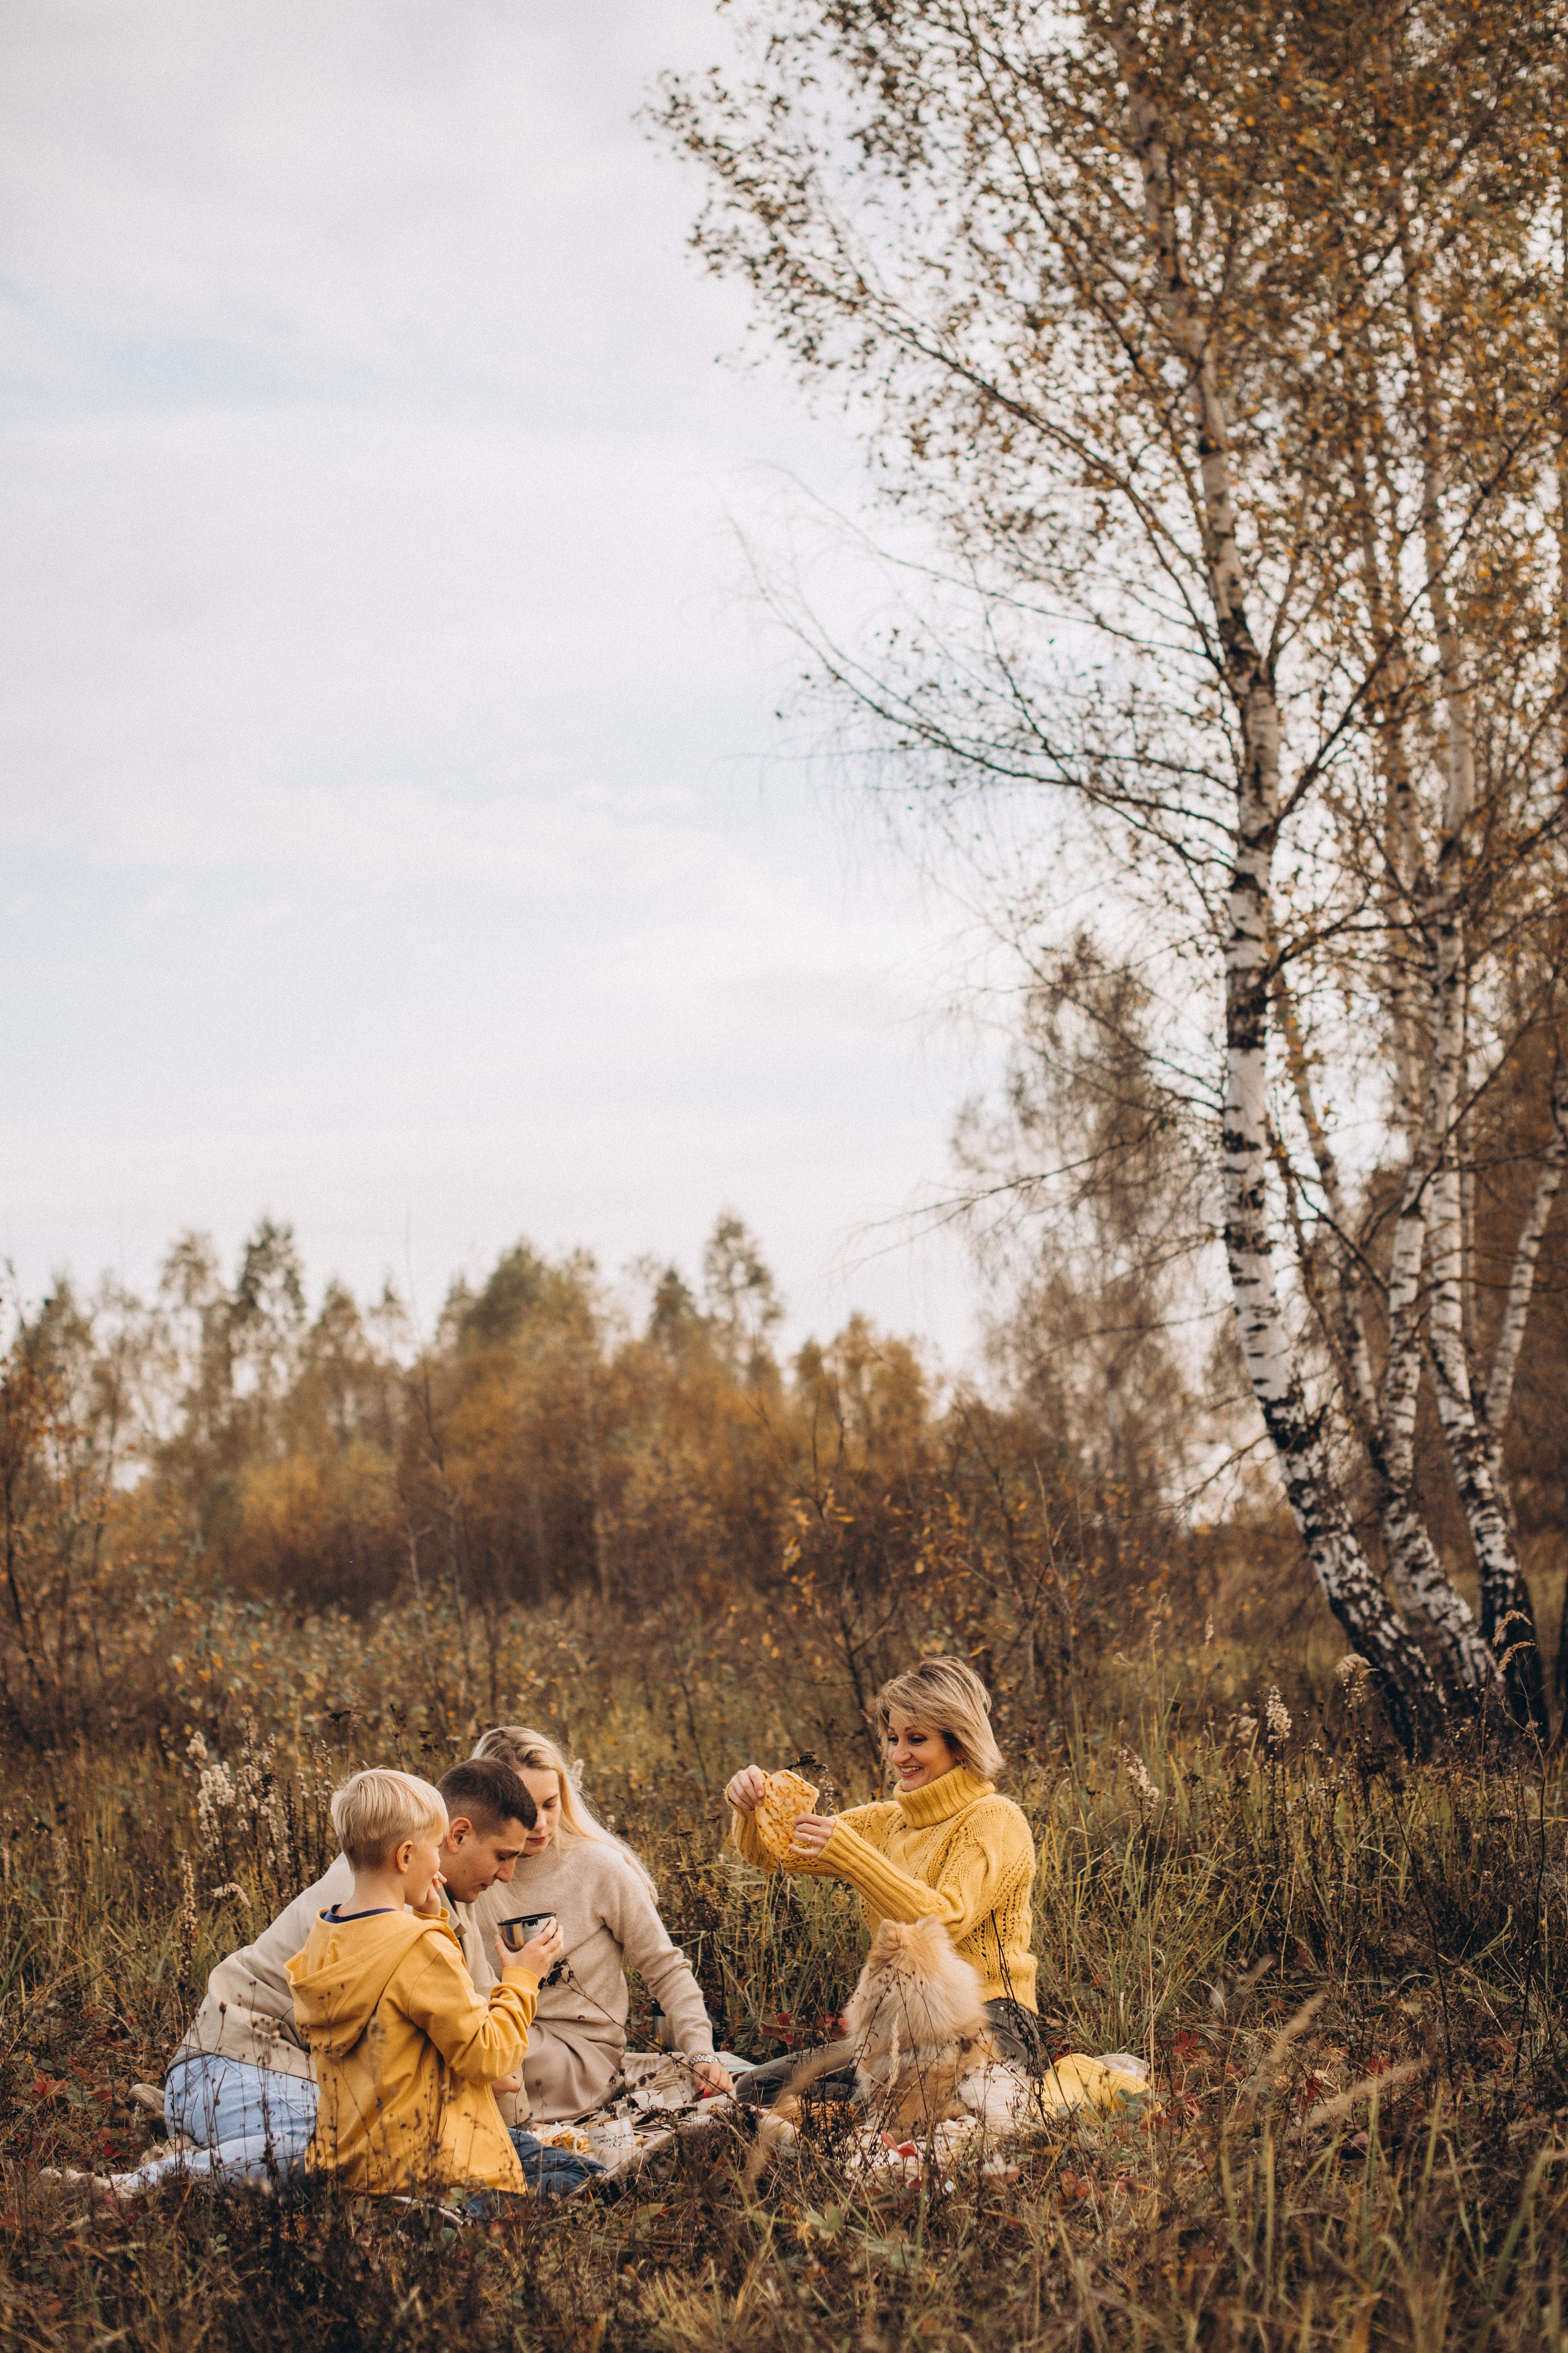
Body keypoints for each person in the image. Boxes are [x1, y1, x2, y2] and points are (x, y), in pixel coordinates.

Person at [84, 1756, 588, 2197]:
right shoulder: (374, 1906)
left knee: (450, 2148)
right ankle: (150, 2180)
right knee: (343, 2154)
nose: (507, 1876)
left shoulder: (440, 1908)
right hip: (233, 2060)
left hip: (305, 2075)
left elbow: (475, 2034)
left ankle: (192, 2127)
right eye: (504, 1856)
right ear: (453, 1837)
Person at [725, 1656, 1041, 2107]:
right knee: (758, 2088)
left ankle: (873, 2113)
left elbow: (946, 1920)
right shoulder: (885, 1823)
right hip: (902, 2025)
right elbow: (771, 1853)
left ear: (960, 1742)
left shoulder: (995, 1819)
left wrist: (854, 1859)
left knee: (900, 2106)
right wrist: (748, 1806)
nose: (898, 1755)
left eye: (917, 1739)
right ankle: (862, 2110)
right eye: (893, 1738)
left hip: (993, 2020)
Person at [287, 1767, 558, 2207]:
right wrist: (523, 1978)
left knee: (544, 2159)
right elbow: (487, 2056)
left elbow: (400, 2005)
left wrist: (431, 1920)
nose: (440, 1860)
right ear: (406, 1856)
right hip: (436, 2174)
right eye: (436, 1847)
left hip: (358, 2174)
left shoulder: (324, 1938)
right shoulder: (418, 1948)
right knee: (583, 2180)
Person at [470, 1726, 732, 2122]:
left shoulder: (598, 1867)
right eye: (524, 1809)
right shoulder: (472, 1874)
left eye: (550, 1804)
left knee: (469, 2059)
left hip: (579, 2053)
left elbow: (665, 1968)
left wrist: (700, 2051)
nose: (540, 1823)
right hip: (501, 2036)